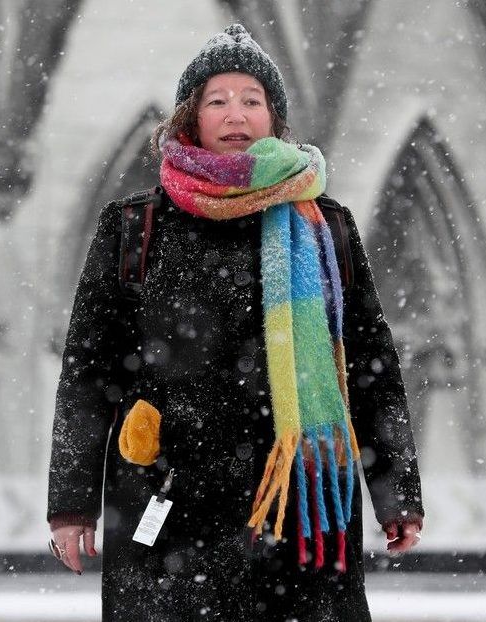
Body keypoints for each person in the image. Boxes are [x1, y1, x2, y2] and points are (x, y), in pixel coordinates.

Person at [47, 23, 424, 621]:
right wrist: (71, 506)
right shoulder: (135, 227)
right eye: (216, 101)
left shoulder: (325, 227)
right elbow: (88, 375)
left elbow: (371, 367)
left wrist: (397, 493)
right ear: (190, 118)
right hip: (167, 492)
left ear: (274, 119)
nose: (235, 114)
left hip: (297, 501)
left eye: (252, 100)